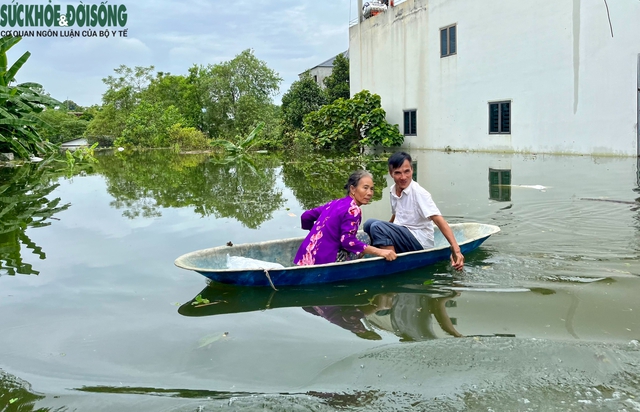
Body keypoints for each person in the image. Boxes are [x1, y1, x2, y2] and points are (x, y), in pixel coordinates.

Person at [363, 152, 464, 270]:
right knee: (369, 224)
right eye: (398, 173)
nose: (403, 177)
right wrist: (386, 229)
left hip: (419, 241)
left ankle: (392, 264)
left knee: (377, 227)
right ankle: (386, 253)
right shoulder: (393, 190)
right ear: (391, 174)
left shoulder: (419, 193)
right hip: (403, 235)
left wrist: (456, 249)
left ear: (412, 170)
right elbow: (396, 215)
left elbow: (439, 220)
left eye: (407, 171)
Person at [294, 170, 397, 266]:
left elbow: (305, 216)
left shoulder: (334, 203)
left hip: (304, 258)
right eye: (365, 188)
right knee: (365, 238)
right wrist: (380, 251)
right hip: (324, 262)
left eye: (371, 189)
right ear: (352, 189)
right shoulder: (354, 210)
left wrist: (315, 235)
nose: (369, 193)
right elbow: (348, 242)